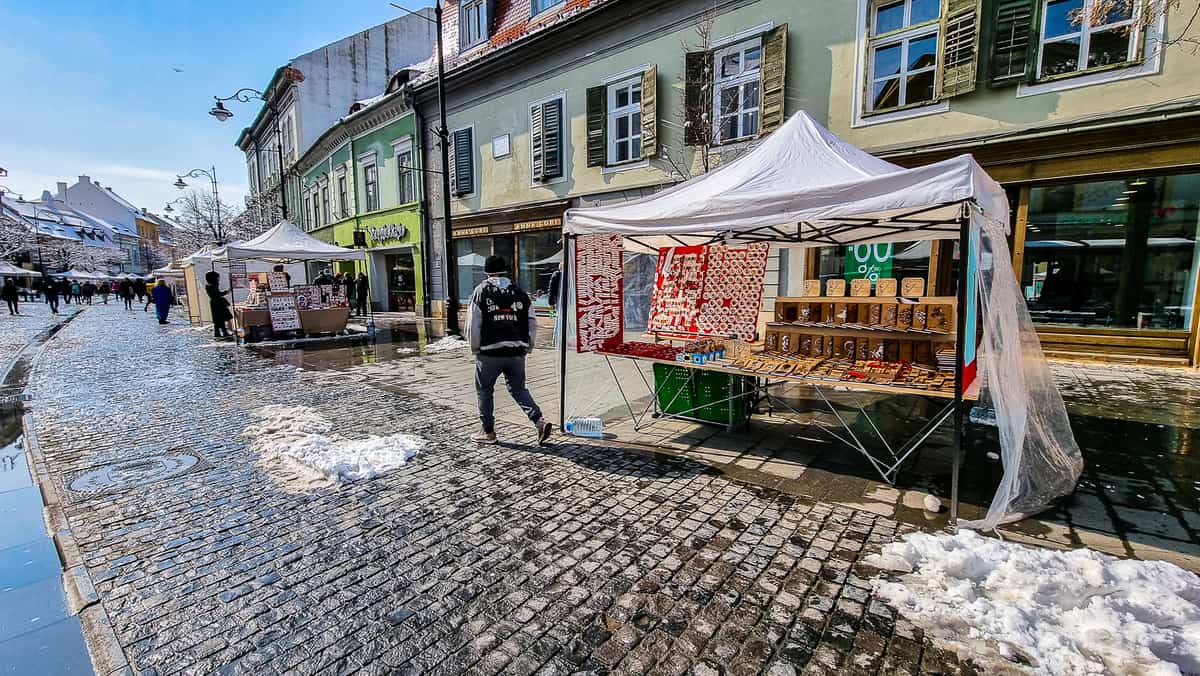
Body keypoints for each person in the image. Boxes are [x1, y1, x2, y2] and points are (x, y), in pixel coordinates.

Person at [466, 255, 553, 446]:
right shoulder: (520, 292)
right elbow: (532, 322)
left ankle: (488, 432)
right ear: (505, 270)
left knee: (485, 391)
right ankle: (539, 421)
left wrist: (475, 348)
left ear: (486, 272)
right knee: (518, 389)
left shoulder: (480, 291)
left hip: (489, 353)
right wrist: (528, 346)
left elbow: (474, 324)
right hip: (516, 352)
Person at [205, 271, 233, 338]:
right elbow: (218, 294)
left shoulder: (210, 286)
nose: (218, 279)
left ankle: (220, 332)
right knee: (220, 318)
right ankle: (222, 332)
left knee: (219, 319)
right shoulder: (212, 286)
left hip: (216, 303)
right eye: (217, 277)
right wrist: (227, 292)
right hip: (218, 304)